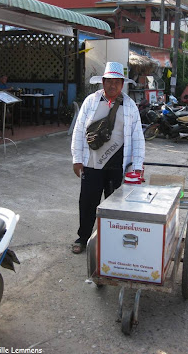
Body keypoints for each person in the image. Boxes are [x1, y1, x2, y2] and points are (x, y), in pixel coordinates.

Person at [71, 62, 145, 254]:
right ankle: (83, 237)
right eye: (109, 81)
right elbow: (79, 131)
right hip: (91, 163)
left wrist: (137, 165)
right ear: (102, 82)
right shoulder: (91, 101)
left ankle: (112, 239)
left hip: (117, 165)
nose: (112, 85)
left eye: (116, 82)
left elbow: (137, 137)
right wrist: (77, 159)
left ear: (122, 84)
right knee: (87, 202)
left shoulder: (130, 106)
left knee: (115, 205)